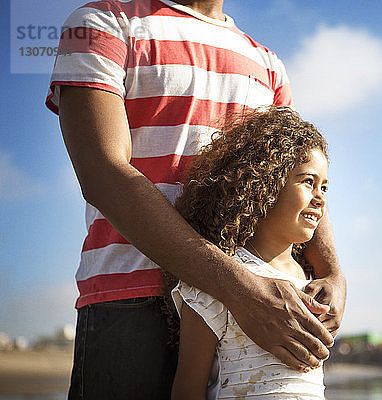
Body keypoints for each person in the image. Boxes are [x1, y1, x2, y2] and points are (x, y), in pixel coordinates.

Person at [46, 0, 346, 398]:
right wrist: (241, 291)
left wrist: (332, 271)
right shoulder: (100, 23)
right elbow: (102, 173)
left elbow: (294, 168)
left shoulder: (267, 64)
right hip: (133, 298)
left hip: (252, 303)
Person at [171, 107, 331, 399]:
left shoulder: (312, 281)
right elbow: (187, 388)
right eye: (308, 181)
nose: (320, 197)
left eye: (324, 186)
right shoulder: (217, 279)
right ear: (267, 184)